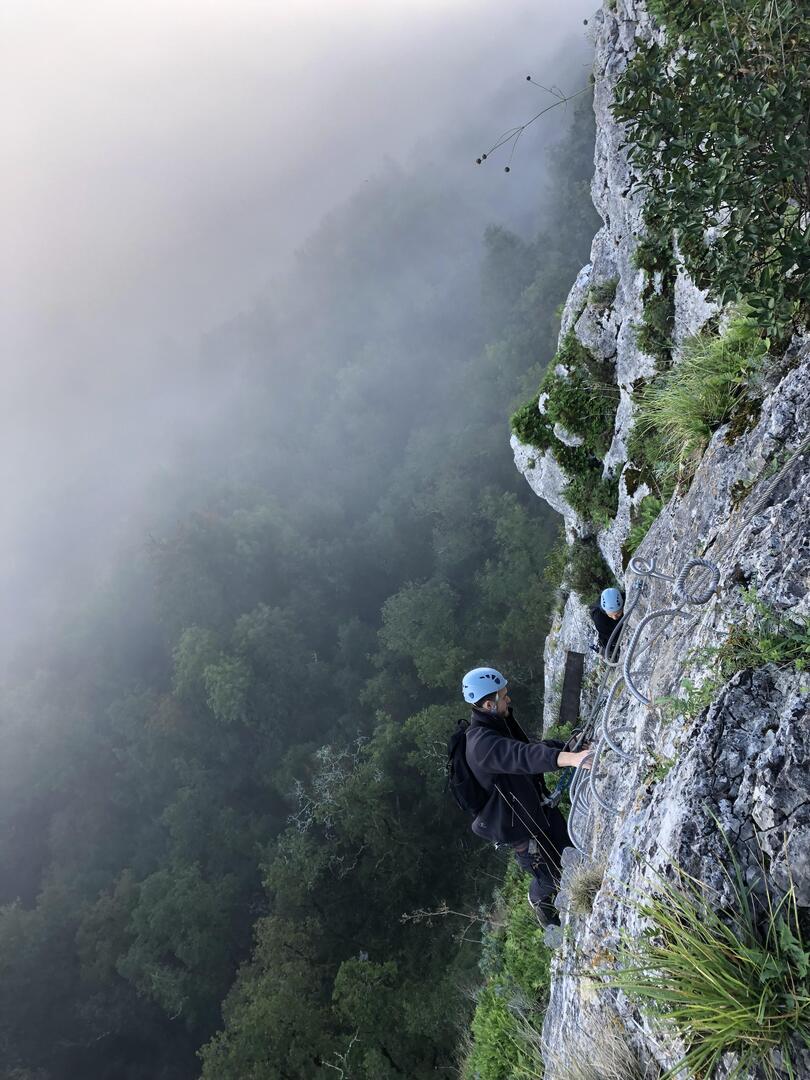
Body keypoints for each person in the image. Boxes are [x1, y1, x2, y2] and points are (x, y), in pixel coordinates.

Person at [461, 667, 592, 926]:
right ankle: (543, 904)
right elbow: (522, 757)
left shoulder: (499, 722)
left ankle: (578, 903)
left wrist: (568, 746)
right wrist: (572, 760)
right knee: (552, 877)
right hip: (521, 829)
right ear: (489, 703)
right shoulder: (481, 744)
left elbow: (528, 748)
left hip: (537, 809)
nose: (508, 699)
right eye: (504, 696)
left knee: (570, 853)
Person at [590, 587, 624, 658]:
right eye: (611, 615)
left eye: (618, 613)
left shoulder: (623, 598)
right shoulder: (599, 618)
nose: (614, 617)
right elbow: (612, 637)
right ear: (605, 611)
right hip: (609, 635)